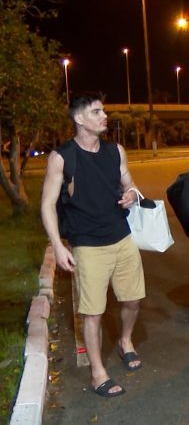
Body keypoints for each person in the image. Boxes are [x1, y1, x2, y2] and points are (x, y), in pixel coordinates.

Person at [40, 93, 145, 398]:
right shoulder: (62, 157)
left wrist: (132, 193)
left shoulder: (115, 151)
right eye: (96, 112)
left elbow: (129, 182)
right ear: (78, 118)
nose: (104, 116)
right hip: (87, 244)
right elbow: (47, 205)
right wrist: (58, 246)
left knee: (133, 300)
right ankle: (98, 373)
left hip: (122, 237)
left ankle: (126, 340)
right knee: (93, 312)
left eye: (104, 111)